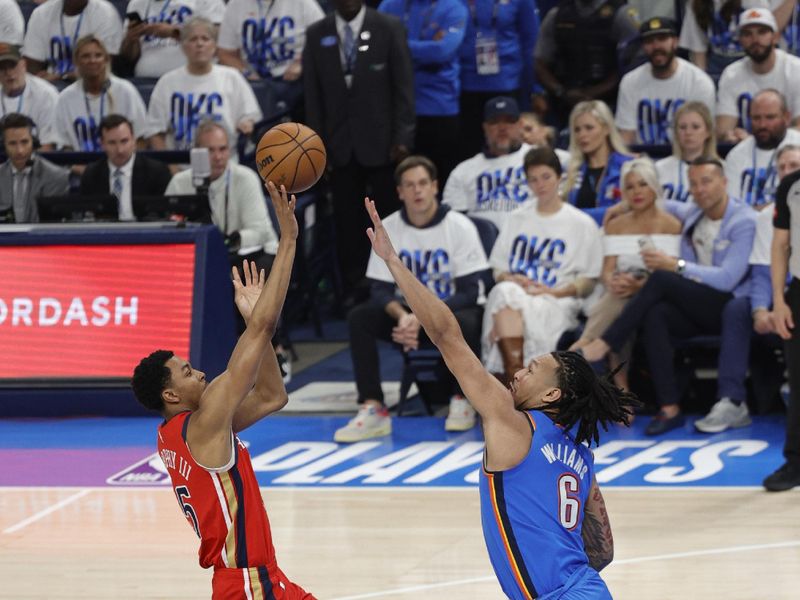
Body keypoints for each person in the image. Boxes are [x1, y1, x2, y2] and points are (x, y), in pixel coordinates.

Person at [360, 191, 639, 600]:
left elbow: (445, 335)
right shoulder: (580, 454)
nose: (520, 371)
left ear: (552, 394)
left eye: (532, 369)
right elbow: (603, 551)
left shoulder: (514, 423)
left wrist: (394, 262)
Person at [131, 183, 315, 599]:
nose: (199, 374)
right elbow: (265, 329)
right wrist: (287, 241)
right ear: (171, 396)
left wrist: (257, 329)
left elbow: (272, 396)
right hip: (249, 583)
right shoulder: (206, 420)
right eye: (186, 372)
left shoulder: (180, 433)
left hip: (259, 578)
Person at [581, 158, 757, 435]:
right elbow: (653, 200)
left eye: (707, 182)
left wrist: (677, 265)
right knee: (656, 313)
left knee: (663, 277)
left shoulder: (744, 220)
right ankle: (670, 407)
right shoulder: (694, 212)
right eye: (694, 184)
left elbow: (727, 280)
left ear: (724, 183)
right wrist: (618, 207)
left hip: (729, 305)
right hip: (695, 304)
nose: (700, 189)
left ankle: (605, 343)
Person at [335, 155, 489, 442]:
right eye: (409, 185)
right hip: (406, 318)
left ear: (434, 187)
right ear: (400, 192)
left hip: (448, 316)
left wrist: (423, 318)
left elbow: (470, 292)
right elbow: (379, 290)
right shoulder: (388, 228)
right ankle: (373, 407)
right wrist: (404, 316)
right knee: (360, 318)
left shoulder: (459, 226)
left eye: (422, 183)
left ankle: (463, 398)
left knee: (471, 320)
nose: (417, 191)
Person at [303, 0, 415, 304]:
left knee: (388, 217)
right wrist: (316, 149)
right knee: (347, 221)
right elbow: (312, 97)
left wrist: (403, 137)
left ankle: (395, 283)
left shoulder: (389, 27)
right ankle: (355, 287)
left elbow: (404, 86)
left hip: (384, 144)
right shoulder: (316, 33)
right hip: (338, 146)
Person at [481, 147, 602, 386]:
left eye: (546, 177)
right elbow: (498, 270)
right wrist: (512, 279)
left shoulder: (581, 223)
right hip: (517, 296)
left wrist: (551, 291)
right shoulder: (516, 218)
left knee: (506, 299)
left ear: (560, 177)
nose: (540, 185)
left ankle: (513, 384)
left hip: (556, 300)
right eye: (533, 179)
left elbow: (588, 282)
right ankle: (519, 381)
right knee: (506, 292)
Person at [570, 158, 682, 390]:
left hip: (658, 294)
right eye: (630, 187)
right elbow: (607, 270)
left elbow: (674, 275)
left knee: (628, 302)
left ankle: (582, 349)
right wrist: (614, 281)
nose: (637, 192)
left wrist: (639, 286)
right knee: (620, 299)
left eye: (643, 184)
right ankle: (619, 383)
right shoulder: (616, 225)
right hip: (621, 290)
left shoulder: (673, 225)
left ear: (654, 186)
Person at [164, 119, 278, 270]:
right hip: (197, 256)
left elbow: (260, 232)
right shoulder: (179, 182)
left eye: (222, 149)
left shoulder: (246, 178)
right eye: (210, 150)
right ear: (196, 152)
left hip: (249, 255)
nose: (218, 157)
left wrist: (229, 241)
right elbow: (167, 228)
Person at [379, 0, 468, 185]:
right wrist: (425, 47)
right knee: (398, 184)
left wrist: (395, 44)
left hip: (438, 108)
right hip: (395, 111)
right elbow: (375, 44)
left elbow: (442, 51)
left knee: (440, 182)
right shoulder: (389, 5)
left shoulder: (454, 8)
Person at [147, 17, 263, 150]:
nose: (199, 44)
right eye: (193, 39)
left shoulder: (232, 78)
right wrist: (172, 169)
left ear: (214, 46)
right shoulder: (166, 83)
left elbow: (251, 116)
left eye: (205, 39)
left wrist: (247, 123)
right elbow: (155, 132)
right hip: (180, 163)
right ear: (183, 47)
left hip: (226, 162)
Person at [456, 0, 540, 159]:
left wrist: (534, 88)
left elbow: (531, 42)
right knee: (469, 152)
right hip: (465, 86)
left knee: (509, 149)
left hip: (508, 83)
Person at [534, 0, 639, 126]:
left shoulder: (621, 13)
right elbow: (540, 63)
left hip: (610, 103)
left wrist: (593, 93)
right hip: (564, 103)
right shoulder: (557, 14)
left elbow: (633, 63)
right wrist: (561, 91)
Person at [615, 17, 716, 146]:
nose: (656, 46)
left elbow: (706, 137)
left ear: (675, 42)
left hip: (687, 158)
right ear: (643, 47)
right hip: (643, 159)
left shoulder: (699, 81)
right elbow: (626, 136)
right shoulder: (630, 82)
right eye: (649, 41)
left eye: (662, 39)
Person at [443, 96, 537, 231]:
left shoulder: (540, 159)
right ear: (485, 127)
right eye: (495, 122)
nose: (502, 128)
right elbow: (453, 225)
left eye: (509, 121)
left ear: (520, 125)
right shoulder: (463, 171)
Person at [764, 156, 800, 490]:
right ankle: (795, 462)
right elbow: (780, 245)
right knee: (798, 381)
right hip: (798, 291)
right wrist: (778, 299)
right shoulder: (790, 186)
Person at [716, 7, 800, 143]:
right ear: (740, 40)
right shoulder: (731, 74)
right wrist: (730, 136)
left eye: (762, 32)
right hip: (745, 153)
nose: (755, 39)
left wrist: (756, 140)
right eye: (747, 34)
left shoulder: (796, 69)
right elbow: (724, 129)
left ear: (775, 37)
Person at [54, 35, 150, 151]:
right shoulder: (65, 98)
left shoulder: (126, 91)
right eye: (86, 56)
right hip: (79, 165)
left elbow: (141, 138)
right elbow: (64, 145)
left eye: (98, 55)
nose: (92, 60)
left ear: (106, 60)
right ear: (76, 62)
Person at [80, 114, 172, 221]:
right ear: (102, 144)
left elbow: (164, 215)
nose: (120, 150)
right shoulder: (91, 174)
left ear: (134, 140)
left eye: (124, 141)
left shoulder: (156, 172)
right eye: (112, 143)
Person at [724, 88, 800, 207]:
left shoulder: (798, 144)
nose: (762, 125)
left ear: (786, 117)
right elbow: (732, 208)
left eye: (770, 117)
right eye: (756, 118)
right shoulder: (736, 155)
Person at [218, 0, 323, 85]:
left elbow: (324, 43)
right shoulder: (235, 5)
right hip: (253, 83)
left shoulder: (304, 3)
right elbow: (226, 53)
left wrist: (302, 63)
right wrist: (247, 73)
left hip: (297, 81)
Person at [564, 100, 634, 223]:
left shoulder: (629, 167)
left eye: (589, 128)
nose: (582, 135)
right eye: (577, 130)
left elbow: (630, 210)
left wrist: (576, 216)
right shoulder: (570, 170)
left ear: (606, 129)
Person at [678, 0, 785, 78]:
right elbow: (698, 49)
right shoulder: (695, 4)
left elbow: (766, 34)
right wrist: (702, 79)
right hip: (716, 63)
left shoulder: (754, 2)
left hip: (749, 58)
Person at [22, 0, 123, 82]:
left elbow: (104, 65)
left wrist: (62, 76)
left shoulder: (105, 13)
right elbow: (32, 64)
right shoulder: (41, 14)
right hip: (52, 85)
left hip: (93, 84)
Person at [120, 0, 226, 78]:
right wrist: (131, 39)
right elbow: (129, 57)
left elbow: (218, 37)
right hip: (145, 79)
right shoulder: (136, 3)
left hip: (192, 79)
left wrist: (174, 32)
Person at [0, 113, 70, 224]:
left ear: (34, 142)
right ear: (3, 145)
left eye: (24, 142)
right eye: (12, 143)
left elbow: (51, 225)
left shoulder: (56, 177)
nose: (20, 151)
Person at [656, 101, 720, 203]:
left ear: (708, 131)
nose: (688, 133)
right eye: (682, 127)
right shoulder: (659, 168)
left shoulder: (722, 168)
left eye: (695, 127)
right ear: (676, 132)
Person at [0, 44, 59, 150]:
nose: (9, 73)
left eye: (12, 66)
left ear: (23, 65)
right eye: (2, 68)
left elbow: (49, 145)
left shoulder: (46, 94)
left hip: (36, 161)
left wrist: (24, 164)